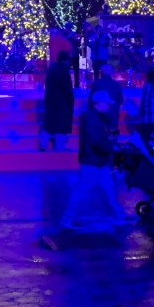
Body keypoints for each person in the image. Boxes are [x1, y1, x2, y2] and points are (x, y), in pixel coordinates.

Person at [60, 90, 133, 230]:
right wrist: (113, 146)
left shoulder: (94, 117)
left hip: (97, 160)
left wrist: (112, 144)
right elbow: (96, 141)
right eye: (107, 103)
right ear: (99, 103)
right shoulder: (93, 119)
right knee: (82, 189)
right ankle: (67, 218)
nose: (109, 106)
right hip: (92, 161)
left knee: (108, 188)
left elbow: (98, 140)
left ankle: (119, 215)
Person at [40, 50, 75, 151]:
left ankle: (43, 144)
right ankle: (59, 147)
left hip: (50, 99)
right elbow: (67, 89)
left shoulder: (51, 69)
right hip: (62, 102)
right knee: (62, 126)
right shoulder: (64, 72)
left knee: (48, 123)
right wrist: (71, 101)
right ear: (65, 61)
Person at [89, 63, 125, 133]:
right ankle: (112, 143)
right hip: (113, 113)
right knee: (112, 134)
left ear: (101, 72)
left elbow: (91, 101)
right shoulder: (117, 84)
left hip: (98, 114)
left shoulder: (96, 83)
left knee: (98, 135)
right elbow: (121, 100)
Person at [63, 22, 82, 88]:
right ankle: (66, 83)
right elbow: (63, 42)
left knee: (76, 69)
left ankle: (77, 84)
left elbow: (78, 44)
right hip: (67, 54)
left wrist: (77, 40)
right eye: (67, 27)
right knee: (66, 69)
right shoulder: (63, 34)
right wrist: (69, 37)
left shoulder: (74, 34)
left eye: (69, 27)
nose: (68, 28)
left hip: (75, 53)